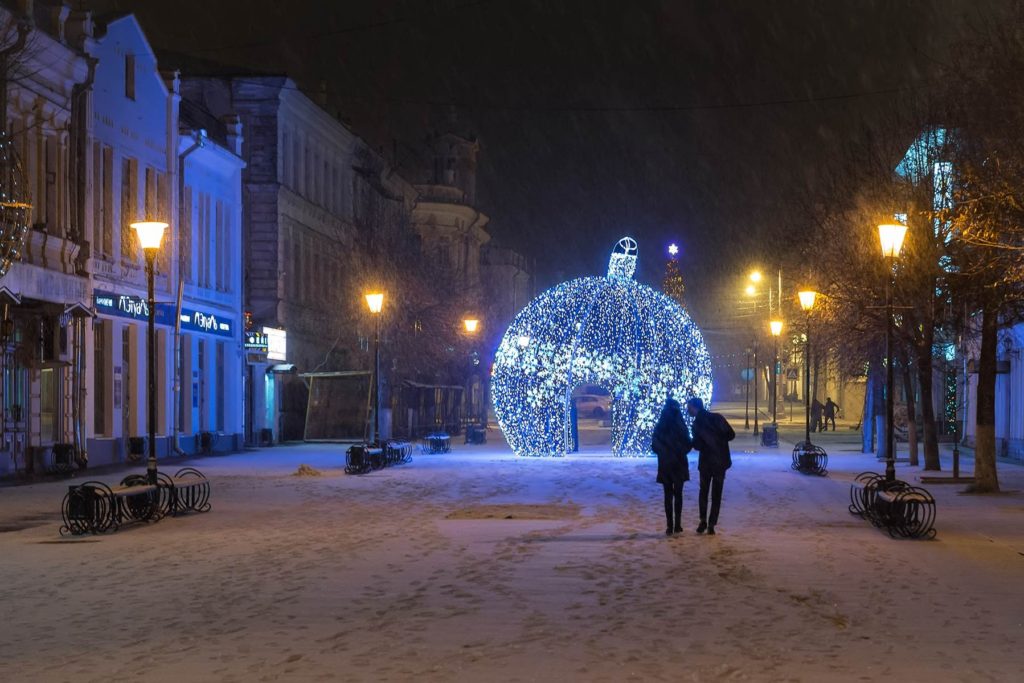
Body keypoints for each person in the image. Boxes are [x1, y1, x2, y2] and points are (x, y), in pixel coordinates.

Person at [687, 397, 734, 535]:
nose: (688, 410)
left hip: (706, 463)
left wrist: (704, 443)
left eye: (689, 408)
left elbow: (697, 445)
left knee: (704, 492)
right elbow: (731, 434)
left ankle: (703, 521)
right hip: (720, 462)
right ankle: (712, 524)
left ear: (696, 408)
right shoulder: (718, 418)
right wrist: (719, 441)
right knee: (716, 494)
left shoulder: (696, 424)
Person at [651, 398, 691, 535]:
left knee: (667, 495)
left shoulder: (661, 425)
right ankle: (678, 524)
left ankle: (669, 525)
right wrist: (680, 451)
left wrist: (664, 452)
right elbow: (688, 443)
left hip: (665, 463)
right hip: (679, 463)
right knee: (678, 494)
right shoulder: (680, 424)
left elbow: (654, 445)